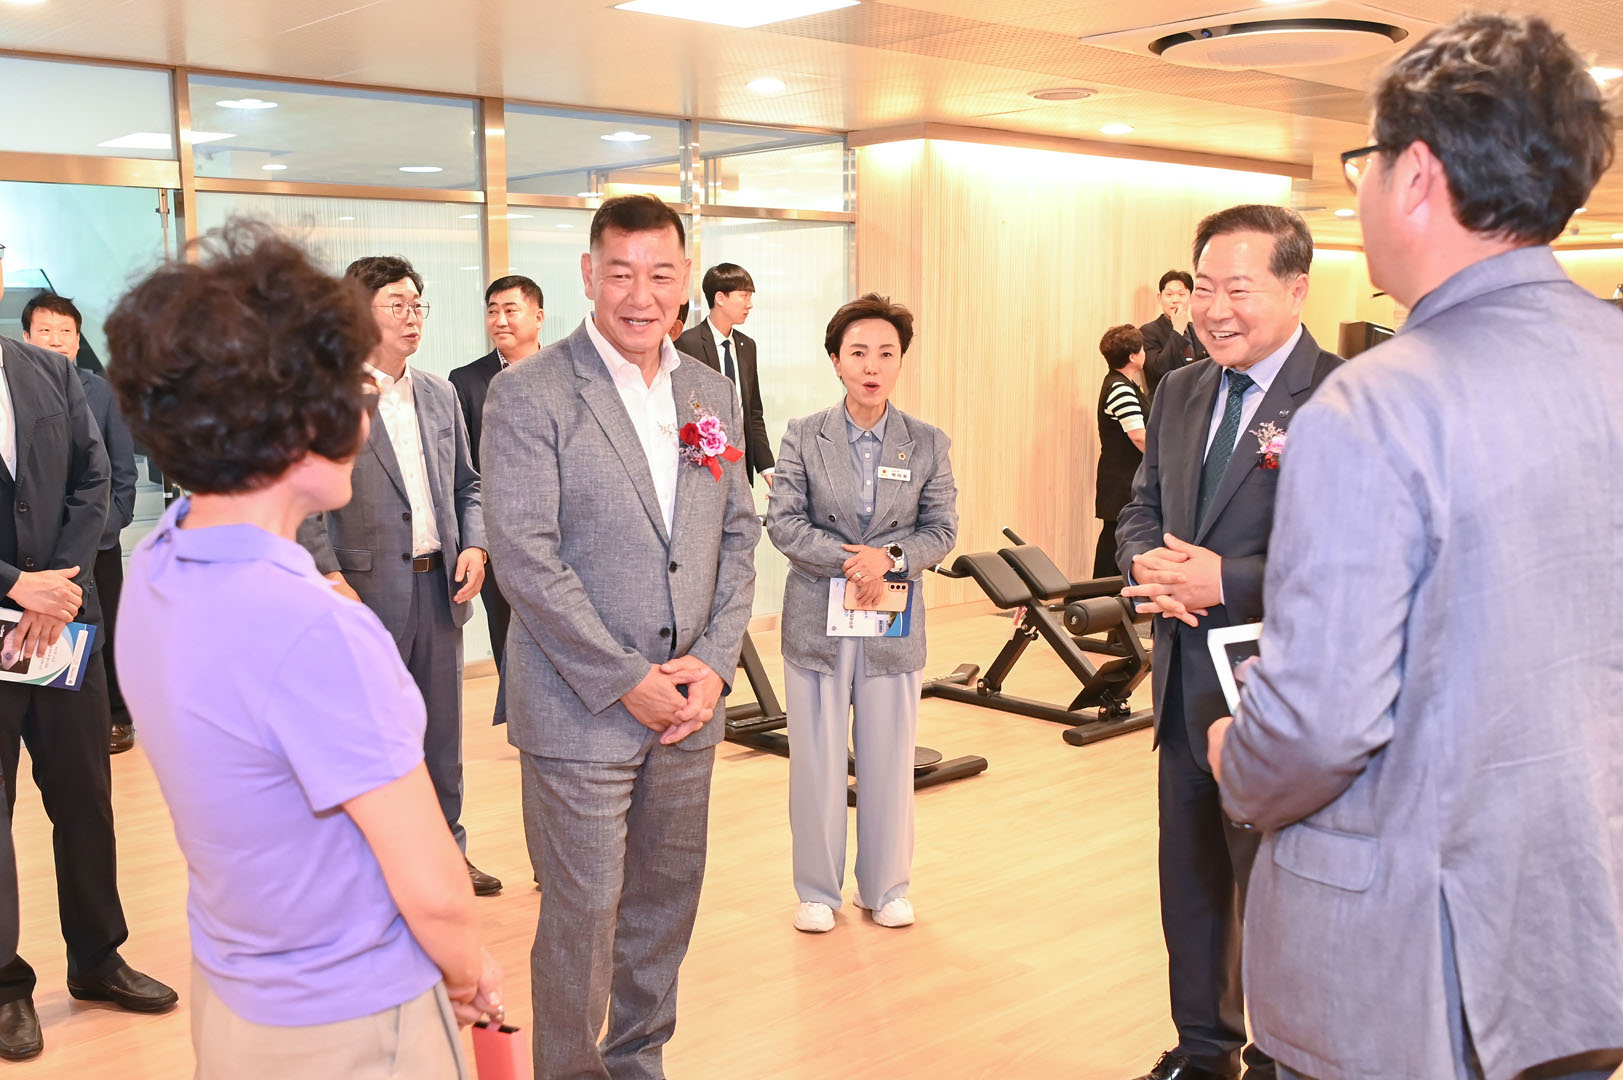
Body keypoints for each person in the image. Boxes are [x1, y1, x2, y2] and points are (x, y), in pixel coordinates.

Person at [1211, 15, 1623, 1080]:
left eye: (1370, 161)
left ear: (1418, 176)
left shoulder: (1376, 405)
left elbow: (1318, 724)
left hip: (1407, 971)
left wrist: (1235, 760)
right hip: (1580, 935)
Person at [107, 222, 501, 1080]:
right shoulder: (314, 629)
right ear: (289, 419)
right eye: (346, 385)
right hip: (351, 1019)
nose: (363, 411)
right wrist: (472, 973)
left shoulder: (160, 563)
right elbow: (434, 891)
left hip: (235, 989)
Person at [481, 194, 758, 1080]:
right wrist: (625, 677)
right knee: (583, 912)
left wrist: (713, 663)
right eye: (621, 273)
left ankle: (638, 1061)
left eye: (661, 274)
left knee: (664, 903)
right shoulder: (530, 392)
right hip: (581, 708)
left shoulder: (710, 391)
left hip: (689, 708)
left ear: (685, 279)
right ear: (587, 275)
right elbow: (525, 557)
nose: (641, 295)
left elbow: (737, 534)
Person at [1116, 205, 1342, 1080]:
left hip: (1282, 695)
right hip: (1181, 682)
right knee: (1191, 881)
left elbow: (1357, 558)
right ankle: (1202, 1050)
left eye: (1237, 290)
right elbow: (1141, 506)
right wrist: (1143, 561)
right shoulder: (1179, 390)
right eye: (1203, 288)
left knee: (1281, 893)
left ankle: (1285, 1057)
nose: (1214, 309)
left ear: (1296, 288)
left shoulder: (1344, 396)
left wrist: (1229, 581)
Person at [0, 249, 175, 1064]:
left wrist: (57, 587)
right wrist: (14, 587)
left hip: (64, 624)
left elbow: (92, 478)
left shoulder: (49, 371)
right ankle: (4, 983)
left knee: (85, 799)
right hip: (10, 613)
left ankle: (98, 957)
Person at [296, 255, 500, 897]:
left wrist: (476, 545)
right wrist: (330, 579)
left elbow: (469, 484)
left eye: (417, 305)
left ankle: (445, 854)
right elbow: (301, 504)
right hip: (361, 595)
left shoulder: (439, 393)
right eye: (396, 305)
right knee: (369, 737)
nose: (412, 317)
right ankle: (369, 866)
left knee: (441, 738)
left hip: (440, 588)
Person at [765, 293, 958, 935]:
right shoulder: (803, 435)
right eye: (858, 353)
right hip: (817, 621)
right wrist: (854, 562)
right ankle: (818, 890)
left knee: (888, 759)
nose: (872, 366)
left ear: (901, 361)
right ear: (835, 361)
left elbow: (941, 530)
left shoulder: (927, 442)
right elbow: (784, 523)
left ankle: (886, 886)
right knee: (816, 762)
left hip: (891, 623)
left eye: (886, 353)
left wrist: (889, 559)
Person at [21, 293, 139, 754]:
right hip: (37, 543)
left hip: (98, 543)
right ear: (26, 337)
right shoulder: (14, 392)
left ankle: (117, 716)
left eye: (65, 331)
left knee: (108, 632)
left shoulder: (102, 392)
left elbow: (122, 473)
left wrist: (101, 532)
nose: (56, 340)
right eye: (45, 331)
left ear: (77, 339)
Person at [449, 273, 544, 704]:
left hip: (564, 531)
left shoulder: (566, 373)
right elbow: (464, 468)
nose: (500, 320)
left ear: (538, 317)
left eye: (510, 310)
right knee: (508, 636)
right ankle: (521, 718)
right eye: (492, 311)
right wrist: (477, 541)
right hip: (500, 537)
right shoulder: (466, 381)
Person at [676, 262, 774, 486]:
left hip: (740, 462)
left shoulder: (747, 346)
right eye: (744, 296)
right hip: (702, 466)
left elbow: (753, 413)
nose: (750, 304)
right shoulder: (687, 344)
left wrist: (767, 468)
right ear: (720, 298)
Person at [1093, 323, 1147, 579]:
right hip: (1122, 478)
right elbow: (1138, 436)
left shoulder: (1125, 385)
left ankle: (1104, 593)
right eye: (1142, 349)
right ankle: (1094, 595)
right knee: (1115, 537)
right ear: (1133, 356)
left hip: (1123, 476)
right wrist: (1164, 461)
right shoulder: (1120, 388)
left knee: (1117, 535)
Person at [1141, 270, 1207, 400]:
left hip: (1198, 401)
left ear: (1191, 298)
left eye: (1181, 294)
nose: (1175, 300)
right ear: (1160, 298)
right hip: (1166, 402)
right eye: (1169, 294)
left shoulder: (1198, 330)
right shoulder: (1148, 331)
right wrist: (1177, 331)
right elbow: (1158, 370)